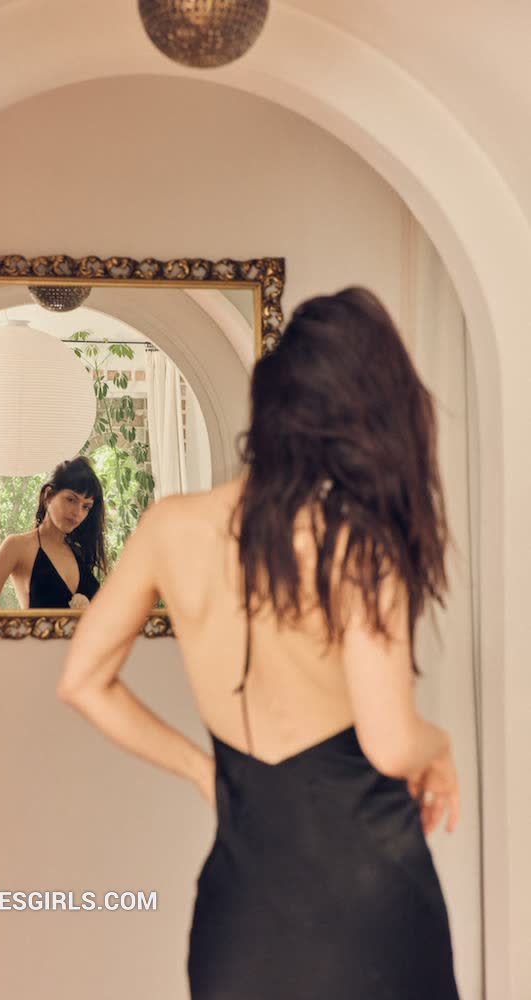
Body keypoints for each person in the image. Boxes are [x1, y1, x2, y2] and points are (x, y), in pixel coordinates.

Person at [57, 288, 461, 999]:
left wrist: (201, 770)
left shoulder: (169, 527)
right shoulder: (357, 541)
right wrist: (440, 748)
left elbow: (82, 683)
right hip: (370, 907)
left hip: (238, 916)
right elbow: (392, 745)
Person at [0, 455, 107, 610]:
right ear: (49, 495)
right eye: (71, 500)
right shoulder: (17, 546)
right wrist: (18, 625)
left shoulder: (79, 552)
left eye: (86, 507)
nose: (78, 513)